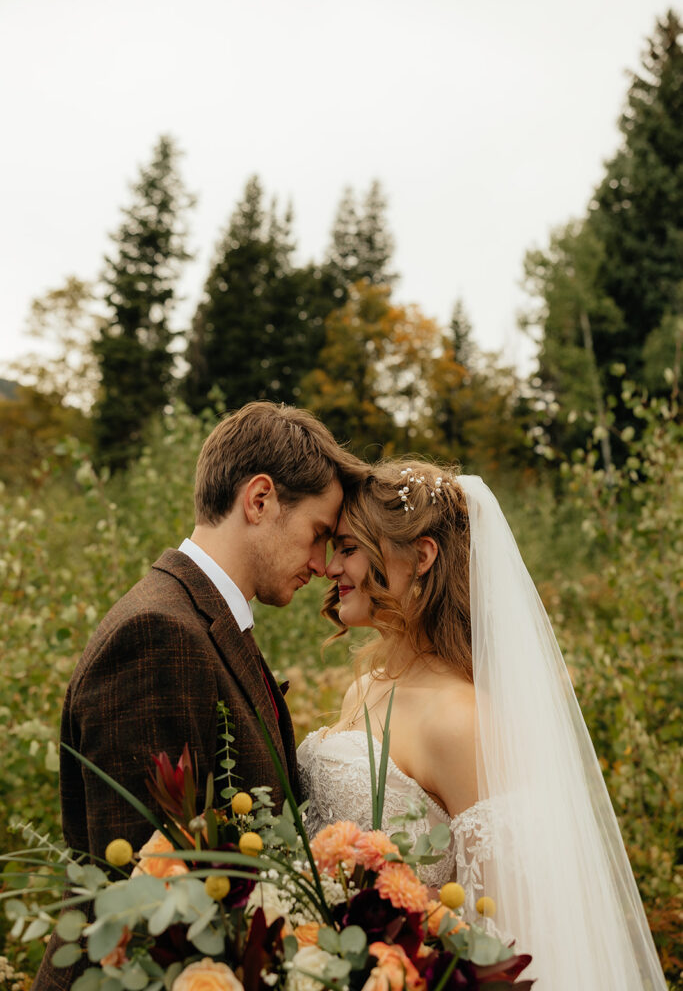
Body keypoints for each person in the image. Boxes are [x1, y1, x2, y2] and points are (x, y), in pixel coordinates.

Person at [34, 401, 366, 991]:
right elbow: (145, 900)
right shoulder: (158, 636)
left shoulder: (201, 621)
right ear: (259, 500)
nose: (321, 564)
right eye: (318, 534)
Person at [298, 460, 667, 991]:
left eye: (350, 548)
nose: (331, 568)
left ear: (422, 556)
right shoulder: (365, 688)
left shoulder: (461, 720)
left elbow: (502, 931)